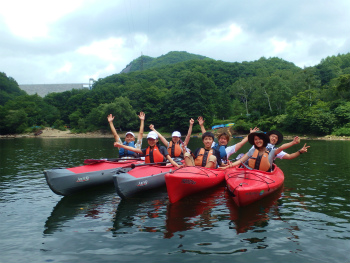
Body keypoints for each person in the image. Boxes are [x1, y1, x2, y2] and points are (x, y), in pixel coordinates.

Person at [221, 131, 302, 172]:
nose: (258, 141)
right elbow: (240, 161)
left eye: (260, 139)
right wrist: (227, 167)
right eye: (256, 140)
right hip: (251, 172)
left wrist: (294, 144)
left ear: (264, 140)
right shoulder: (253, 150)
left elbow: (281, 148)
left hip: (264, 175)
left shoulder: (273, 151)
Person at [114, 131, 182, 168]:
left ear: (156, 140)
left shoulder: (162, 148)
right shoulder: (146, 149)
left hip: (160, 168)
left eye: (153, 139)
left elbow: (169, 159)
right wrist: (120, 145)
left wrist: (177, 165)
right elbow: (133, 149)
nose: (151, 141)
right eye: (149, 139)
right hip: (149, 168)